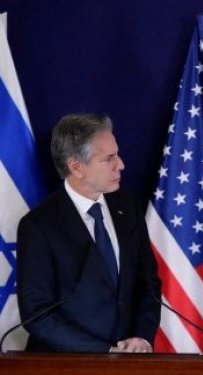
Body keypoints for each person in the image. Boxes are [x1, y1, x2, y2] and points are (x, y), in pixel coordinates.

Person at [17, 114, 161, 353]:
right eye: (109, 158)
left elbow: (147, 283)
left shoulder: (128, 206)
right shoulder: (39, 226)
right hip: (64, 370)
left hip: (130, 367)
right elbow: (37, 314)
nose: (121, 165)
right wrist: (103, 351)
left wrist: (142, 337)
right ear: (77, 167)